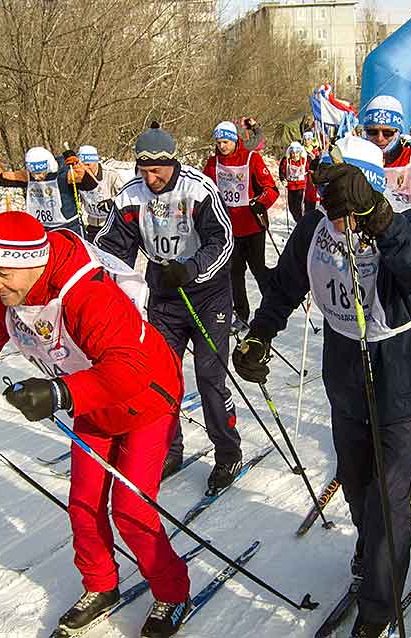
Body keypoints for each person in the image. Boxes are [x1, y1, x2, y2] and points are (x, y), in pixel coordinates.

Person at [0, 211, 191, 638]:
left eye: (1, 274)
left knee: (130, 508)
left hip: (146, 400)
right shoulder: (6, 290)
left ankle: (173, 592)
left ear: (33, 261)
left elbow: (129, 368)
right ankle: (101, 585)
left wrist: (59, 394)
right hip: (93, 406)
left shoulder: (87, 293)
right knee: (84, 504)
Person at [233, 137, 411, 638]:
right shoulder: (315, 227)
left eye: (349, 197)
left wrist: (380, 220)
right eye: (332, 197)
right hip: (346, 376)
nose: (337, 211)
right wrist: (260, 333)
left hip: (400, 378)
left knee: (389, 501)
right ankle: (368, 550)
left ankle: (376, 608)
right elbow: (285, 284)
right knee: (355, 485)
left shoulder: (407, 221)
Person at [96, 122, 241, 494]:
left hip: (207, 295)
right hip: (164, 297)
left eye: (157, 169)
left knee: (209, 376)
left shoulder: (198, 188)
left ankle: (227, 452)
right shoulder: (131, 196)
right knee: (162, 377)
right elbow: (113, 248)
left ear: (172, 163)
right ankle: (169, 449)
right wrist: (112, 283)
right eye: (143, 170)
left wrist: (192, 268)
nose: (151, 177)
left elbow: (222, 241)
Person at [203, 121, 278, 330]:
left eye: (225, 141)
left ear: (235, 139)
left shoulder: (251, 158)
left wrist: (260, 202)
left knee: (258, 269)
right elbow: (204, 191)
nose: (222, 146)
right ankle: (242, 314)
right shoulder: (212, 163)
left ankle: (273, 308)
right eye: (218, 142)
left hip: (252, 226)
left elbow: (271, 189)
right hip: (228, 229)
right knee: (235, 274)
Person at [0, 144, 83, 235]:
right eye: (33, 173)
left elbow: (86, 180)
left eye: (41, 173)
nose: (37, 177)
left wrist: (76, 164)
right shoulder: (28, 176)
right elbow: (1, 178)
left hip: (68, 229)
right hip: (41, 230)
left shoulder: (63, 176)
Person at [361, 95, 411, 208]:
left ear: (399, 132)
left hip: (407, 223)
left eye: (388, 133)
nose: (380, 138)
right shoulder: (356, 159)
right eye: (372, 132)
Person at [68, 145, 126, 243]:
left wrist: (112, 202)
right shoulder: (78, 175)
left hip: (111, 226)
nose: (85, 168)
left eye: (88, 165)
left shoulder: (111, 174)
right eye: (82, 165)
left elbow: (126, 195)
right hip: (92, 226)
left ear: (96, 161)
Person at [278, 141, 308, 223]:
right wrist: (283, 180)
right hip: (290, 186)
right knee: (291, 207)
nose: (295, 155)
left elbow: (310, 170)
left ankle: (301, 223)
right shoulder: (286, 161)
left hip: (300, 186)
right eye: (293, 153)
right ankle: (299, 222)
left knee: (298, 207)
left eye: (297, 153)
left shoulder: (304, 160)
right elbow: (281, 171)